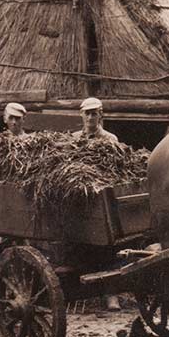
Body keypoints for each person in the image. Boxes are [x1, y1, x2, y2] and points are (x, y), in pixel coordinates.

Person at [73, 98, 122, 310]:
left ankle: (111, 294)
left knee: (109, 244)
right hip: (79, 198)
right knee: (78, 243)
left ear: (100, 115)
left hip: (102, 198)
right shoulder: (73, 139)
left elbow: (115, 169)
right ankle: (79, 290)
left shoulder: (110, 139)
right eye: (87, 113)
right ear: (81, 115)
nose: (91, 117)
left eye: (94, 113)